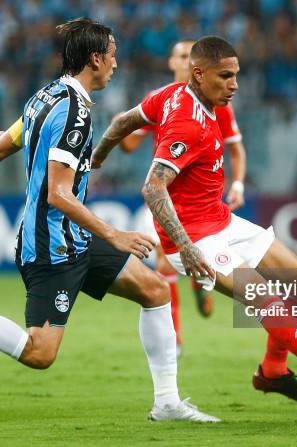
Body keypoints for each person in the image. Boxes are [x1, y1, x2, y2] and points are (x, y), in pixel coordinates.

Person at [0, 18, 218, 423]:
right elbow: (59, 194)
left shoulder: (44, 94)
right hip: (52, 245)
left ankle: (167, 403)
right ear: (96, 59)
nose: (117, 63)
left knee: (155, 291)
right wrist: (114, 234)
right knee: (40, 353)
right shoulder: (76, 114)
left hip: (74, 235)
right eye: (113, 55)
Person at [92, 35, 297, 405]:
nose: (235, 84)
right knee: (267, 300)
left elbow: (122, 121)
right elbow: (152, 188)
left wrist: (97, 157)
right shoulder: (187, 122)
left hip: (221, 220)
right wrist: (186, 247)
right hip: (197, 238)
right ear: (198, 74)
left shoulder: (173, 94)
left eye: (236, 75)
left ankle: (273, 370)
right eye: (225, 76)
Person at [118, 39, 247, 351]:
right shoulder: (160, 99)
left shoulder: (217, 101)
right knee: (164, 263)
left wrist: (238, 184)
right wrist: (130, 128)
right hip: (166, 197)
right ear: (172, 62)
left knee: (169, 263)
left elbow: (235, 148)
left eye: (190, 55)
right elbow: (129, 143)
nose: (185, 60)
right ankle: (175, 334)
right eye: (180, 55)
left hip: (200, 202)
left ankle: (193, 292)